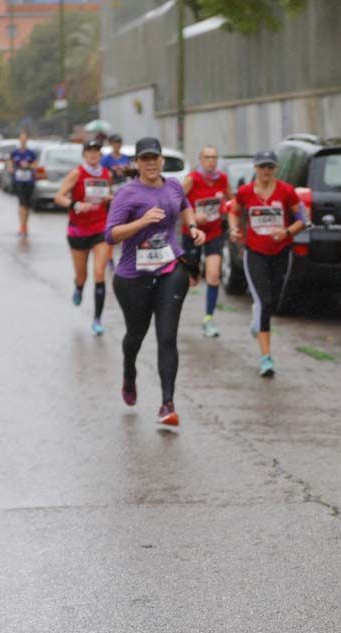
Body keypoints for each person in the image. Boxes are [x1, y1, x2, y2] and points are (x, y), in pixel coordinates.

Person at [105, 137, 205, 426]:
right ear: (137, 163)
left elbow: (185, 205)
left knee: (167, 335)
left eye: (155, 158)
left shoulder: (173, 185)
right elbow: (110, 235)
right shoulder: (127, 194)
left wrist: (194, 227)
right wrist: (142, 222)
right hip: (133, 276)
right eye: (144, 159)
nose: (150, 163)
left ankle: (167, 404)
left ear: (162, 160)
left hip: (169, 269)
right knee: (135, 335)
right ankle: (129, 372)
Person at [227, 150, 306, 377]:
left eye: (270, 167)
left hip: (281, 251)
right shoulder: (245, 192)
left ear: (276, 169)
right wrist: (234, 228)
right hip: (255, 253)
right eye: (262, 167)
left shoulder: (287, 191)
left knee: (272, 301)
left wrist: (287, 231)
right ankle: (266, 358)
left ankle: (257, 318)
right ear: (255, 168)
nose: (266, 171)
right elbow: (233, 210)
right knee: (265, 300)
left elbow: (302, 220)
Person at [54, 140, 114, 335]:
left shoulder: (107, 174)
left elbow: (109, 197)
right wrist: (77, 205)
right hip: (79, 230)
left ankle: (97, 319)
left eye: (96, 151)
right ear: (84, 154)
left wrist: (110, 199)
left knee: (99, 272)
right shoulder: (77, 173)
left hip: (100, 228)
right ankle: (79, 288)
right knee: (82, 275)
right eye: (90, 151)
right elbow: (59, 196)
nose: (93, 155)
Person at [182, 145, 232, 338]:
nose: (211, 161)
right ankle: (170, 312)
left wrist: (228, 211)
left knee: (213, 276)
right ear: (200, 160)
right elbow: (175, 203)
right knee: (191, 280)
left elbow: (232, 201)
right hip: (192, 234)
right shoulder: (191, 179)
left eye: (214, 157)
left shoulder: (222, 179)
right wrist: (194, 216)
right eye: (207, 157)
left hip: (214, 234)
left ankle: (208, 320)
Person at [10, 132, 38, 237]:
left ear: (27, 140)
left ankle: (25, 224)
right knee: (22, 204)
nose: (23, 140)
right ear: (19, 139)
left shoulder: (31, 153)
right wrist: (13, 169)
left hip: (29, 181)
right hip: (19, 182)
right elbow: (10, 165)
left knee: (27, 206)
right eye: (21, 138)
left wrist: (28, 165)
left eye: (25, 138)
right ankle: (21, 225)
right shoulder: (14, 153)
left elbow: (35, 166)